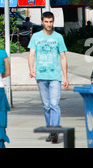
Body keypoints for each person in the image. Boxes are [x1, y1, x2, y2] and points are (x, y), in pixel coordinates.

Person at [28, 11, 69, 144]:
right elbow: (31, 54)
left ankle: (54, 130)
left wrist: (65, 77)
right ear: (42, 22)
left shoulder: (58, 37)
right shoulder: (35, 36)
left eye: (51, 21)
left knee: (54, 104)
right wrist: (31, 69)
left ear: (53, 22)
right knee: (46, 106)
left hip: (55, 76)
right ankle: (50, 131)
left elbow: (63, 57)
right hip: (41, 75)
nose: (49, 24)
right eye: (46, 21)